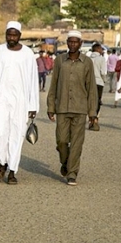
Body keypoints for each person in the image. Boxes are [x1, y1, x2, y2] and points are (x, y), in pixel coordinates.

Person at [0, 21, 39, 185]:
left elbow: (32, 80)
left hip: (21, 102)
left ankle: (12, 171)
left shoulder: (28, 54)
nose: (11, 37)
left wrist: (33, 105)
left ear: (20, 36)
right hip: (0, 100)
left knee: (16, 135)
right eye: (9, 34)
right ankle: (2, 162)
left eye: (14, 34)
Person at [47, 31, 97, 186]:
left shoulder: (87, 62)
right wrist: (51, 106)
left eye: (76, 42)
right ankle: (65, 162)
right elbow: (54, 84)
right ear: (67, 43)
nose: (73, 45)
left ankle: (72, 173)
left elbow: (92, 88)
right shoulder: (60, 61)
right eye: (70, 42)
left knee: (76, 142)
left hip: (80, 108)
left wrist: (92, 112)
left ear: (81, 44)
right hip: (62, 107)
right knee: (61, 140)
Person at [89, 43, 107, 128]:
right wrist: (104, 80)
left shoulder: (88, 59)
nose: (102, 51)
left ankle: (90, 119)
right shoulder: (101, 59)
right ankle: (95, 119)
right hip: (99, 82)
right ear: (98, 49)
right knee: (97, 101)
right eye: (101, 49)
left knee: (89, 101)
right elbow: (103, 72)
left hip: (89, 82)